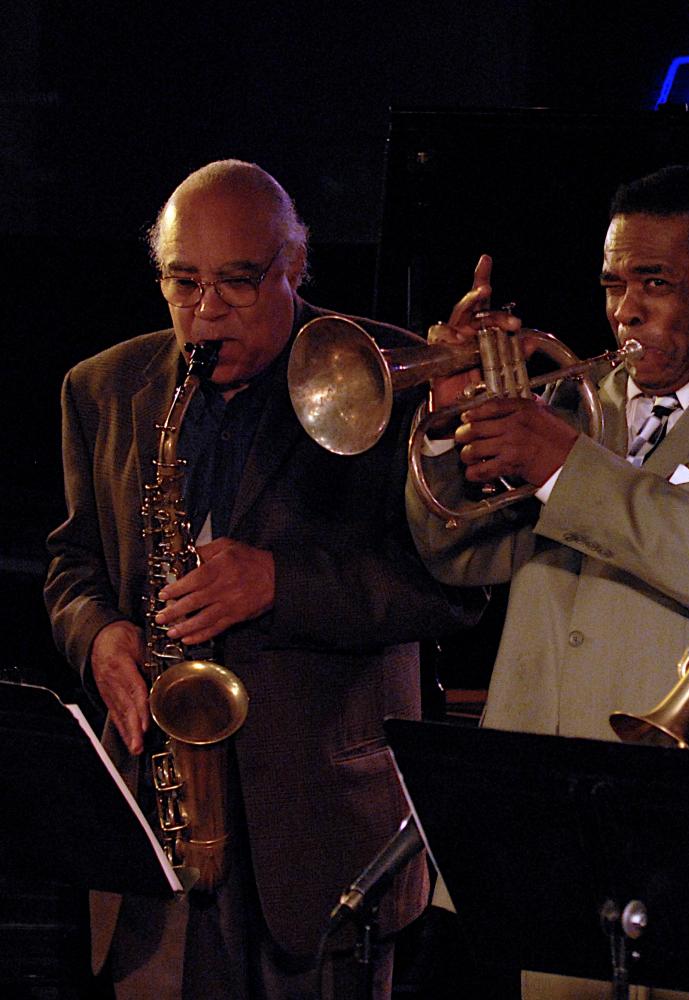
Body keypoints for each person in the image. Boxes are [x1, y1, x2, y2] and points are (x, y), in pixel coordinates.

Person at [406, 166, 689, 996]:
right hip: (545, 825)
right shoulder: (583, 393)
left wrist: (560, 465)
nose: (625, 311)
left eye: (655, 282)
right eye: (613, 283)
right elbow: (458, 557)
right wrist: (450, 422)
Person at [43, 160, 483, 998]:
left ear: (296, 265)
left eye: (238, 284)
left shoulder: (389, 371)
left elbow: (451, 590)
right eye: (183, 283)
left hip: (322, 827)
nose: (204, 313)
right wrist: (97, 632)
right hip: (161, 818)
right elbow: (73, 564)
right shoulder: (103, 387)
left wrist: (282, 583)